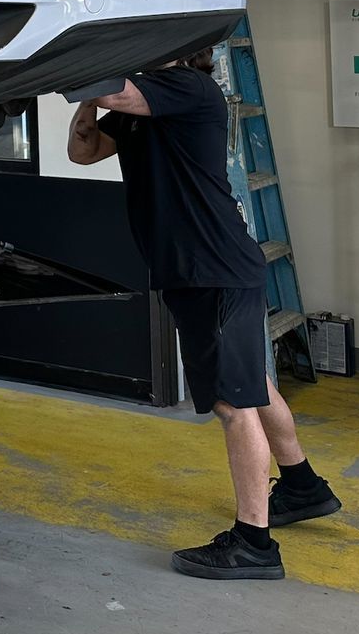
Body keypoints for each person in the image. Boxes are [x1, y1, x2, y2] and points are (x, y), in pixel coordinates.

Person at [67, 48, 341, 580]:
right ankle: (304, 487)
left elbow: (109, 87)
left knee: (232, 402)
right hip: (197, 272)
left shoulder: (189, 88)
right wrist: (83, 107)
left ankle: (253, 543)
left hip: (213, 271)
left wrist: (59, 61)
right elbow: (85, 150)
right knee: (252, 385)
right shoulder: (139, 109)